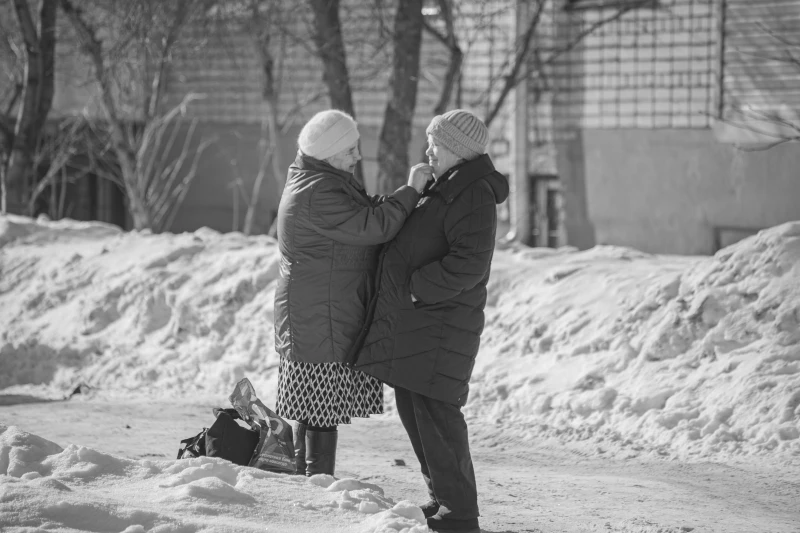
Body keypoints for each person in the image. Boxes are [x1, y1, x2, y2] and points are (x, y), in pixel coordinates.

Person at [349, 109, 509, 533]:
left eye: (436, 144)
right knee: (416, 411)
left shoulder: (472, 194)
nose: (429, 150)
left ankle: (460, 514)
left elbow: (469, 263)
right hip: (422, 324)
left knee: (438, 417)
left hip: (440, 326)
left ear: (457, 148)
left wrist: (416, 288)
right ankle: (443, 499)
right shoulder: (446, 187)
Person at [273, 109, 432, 477]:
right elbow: (373, 226)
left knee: (313, 404)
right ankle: (317, 479)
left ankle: (307, 476)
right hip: (318, 313)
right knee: (319, 406)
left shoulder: (320, 180)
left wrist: (400, 199)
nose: (357, 156)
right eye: (350, 150)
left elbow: (365, 210)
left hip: (319, 308)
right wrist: (410, 191)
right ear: (329, 152)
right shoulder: (317, 191)